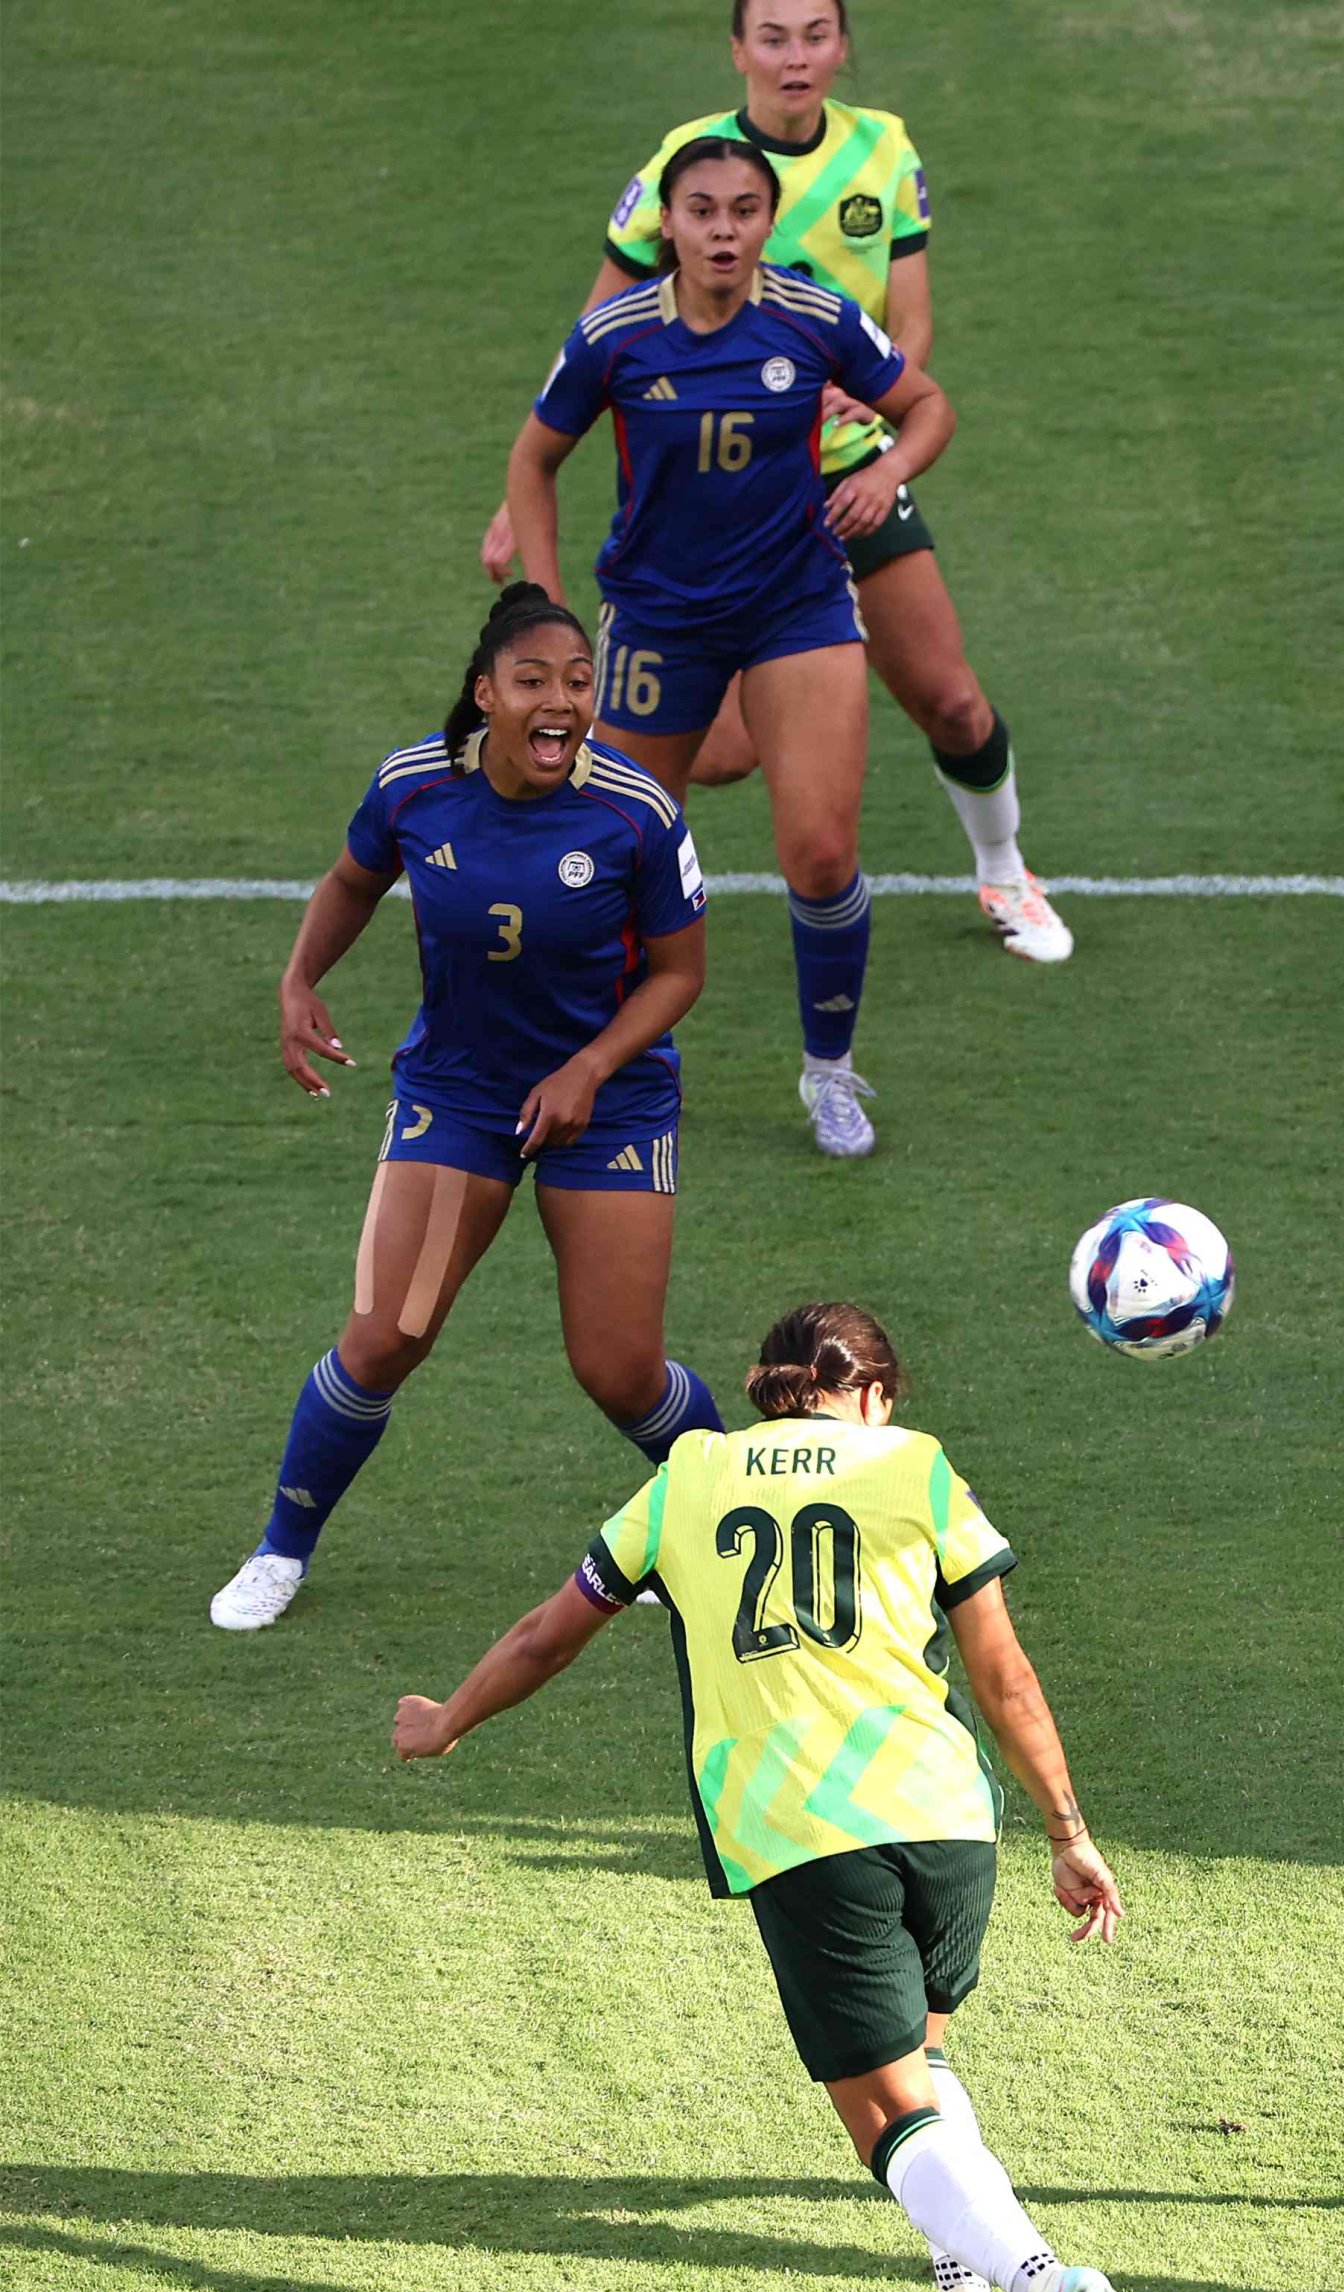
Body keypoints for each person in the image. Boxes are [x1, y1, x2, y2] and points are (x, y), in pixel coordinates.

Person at [390, 1302, 1128, 2292]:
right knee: (922, 2069)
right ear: (874, 1394)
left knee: (884, 2117)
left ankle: (1047, 2291)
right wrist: (1069, 1832)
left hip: (805, 1835)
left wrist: (446, 1723)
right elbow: (1005, 1672)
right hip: (948, 1823)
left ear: (771, 1389)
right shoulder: (918, 1469)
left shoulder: (687, 1480)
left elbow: (549, 1633)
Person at [481, 0, 1071, 967]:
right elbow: (604, 327)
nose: (795, 58)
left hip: (843, 484)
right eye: (773, 37)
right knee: (721, 754)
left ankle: (1005, 871)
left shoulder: (884, 151)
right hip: (722, 507)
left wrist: (875, 428)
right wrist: (523, 487)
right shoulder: (692, 161)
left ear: (842, 47)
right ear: (738, 51)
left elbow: (910, 328)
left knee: (954, 703)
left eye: (815, 36)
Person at [211, 584, 720, 1633]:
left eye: (580, 683)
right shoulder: (413, 787)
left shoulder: (636, 808)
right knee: (386, 1335)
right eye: (534, 681)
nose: (563, 703)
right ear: (484, 693)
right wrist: (300, 981)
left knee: (618, 1370)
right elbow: (352, 881)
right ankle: (279, 1550)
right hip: (462, 1092)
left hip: (612, 1102)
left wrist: (586, 1068)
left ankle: (716, 1530)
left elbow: (679, 974)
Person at [504, 129, 953, 1160]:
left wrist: (885, 473)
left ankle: (831, 1076)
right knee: (617, 852)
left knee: (821, 849)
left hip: (797, 606)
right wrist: (544, 611)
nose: (721, 231)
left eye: (742, 212)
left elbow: (926, 405)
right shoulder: (614, 336)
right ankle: (609, 1064)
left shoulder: (814, 318)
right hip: (659, 619)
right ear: (669, 221)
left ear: (765, 222)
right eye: (701, 211)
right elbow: (532, 465)